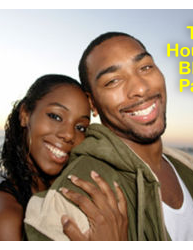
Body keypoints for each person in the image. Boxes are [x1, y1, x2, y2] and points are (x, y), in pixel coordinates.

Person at [24, 32, 193, 241]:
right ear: (92, 104)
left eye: (145, 67)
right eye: (113, 81)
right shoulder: (73, 203)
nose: (141, 88)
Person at [0, 74, 128, 240]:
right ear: (25, 114)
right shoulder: (8, 217)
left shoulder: (80, 195)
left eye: (80, 127)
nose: (68, 135)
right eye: (55, 116)